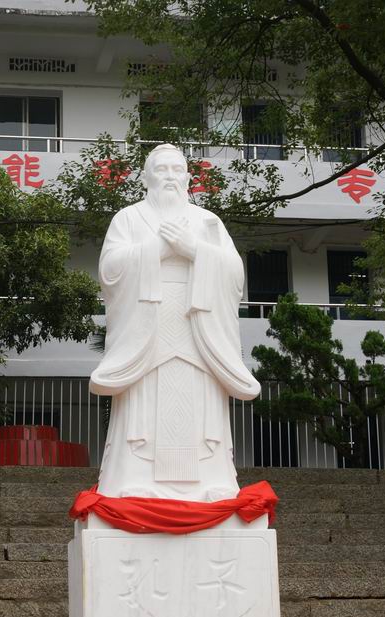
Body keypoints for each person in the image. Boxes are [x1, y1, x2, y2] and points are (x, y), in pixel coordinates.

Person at [90, 144, 261, 502]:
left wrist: (194, 249)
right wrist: (157, 249)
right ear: (147, 177)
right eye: (161, 169)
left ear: (187, 178)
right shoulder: (128, 219)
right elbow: (110, 271)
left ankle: (213, 480)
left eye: (175, 169)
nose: (169, 176)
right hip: (146, 327)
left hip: (197, 325)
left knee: (201, 404)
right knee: (143, 402)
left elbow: (234, 274)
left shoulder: (207, 222)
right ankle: (135, 477)